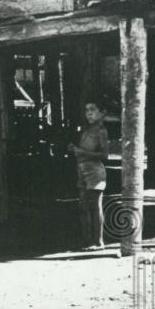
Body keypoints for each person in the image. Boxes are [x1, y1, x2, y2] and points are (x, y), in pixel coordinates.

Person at [68, 101, 110, 251]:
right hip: (82, 169)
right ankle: (87, 240)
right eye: (86, 110)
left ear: (102, 112)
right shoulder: (86, 130)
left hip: (95, 171)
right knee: (83, 206)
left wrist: (82, 152)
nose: (89, 113)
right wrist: (75, 149)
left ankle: (98, 242)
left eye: (93, 109)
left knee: (94, 206)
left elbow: (104, 155)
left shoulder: (101, 131)